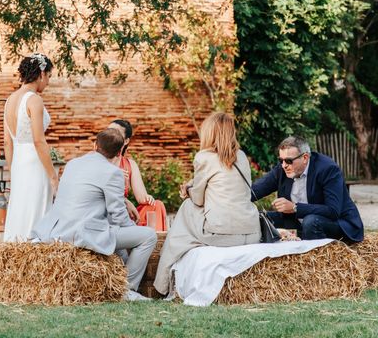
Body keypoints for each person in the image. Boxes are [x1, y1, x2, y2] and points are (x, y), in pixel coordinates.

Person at [32, 128, 157, 301]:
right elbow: (119, 216)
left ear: (95, 145)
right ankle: (126, 289)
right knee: (148, 236)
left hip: (57, 229)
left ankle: (116, 280)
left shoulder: (73, 163)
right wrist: (133, 231)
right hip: (83, 233)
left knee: (116, 235)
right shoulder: (113, 173)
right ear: (119, 152)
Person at [154, 112, 261, 296]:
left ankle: (161, 284)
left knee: (186, 208)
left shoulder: (204, 157)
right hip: (251, 232)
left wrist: (187, 190)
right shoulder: (242, 156)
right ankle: (164, 279)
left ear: (210, 133)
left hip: (221, 234)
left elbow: (198, 199)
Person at [251, 136, 364, 243]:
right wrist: (237, 200)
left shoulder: (327, 169)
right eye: (281, 160)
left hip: (337, 223)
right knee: (259, 218)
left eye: (289, 161)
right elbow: (255, 191)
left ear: (305, 158)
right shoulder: (283, 170)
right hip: (298, 223)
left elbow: (333, 211)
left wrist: (295, 207)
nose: (284, 165)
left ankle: (315, 260)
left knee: (310, 222)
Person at [3, 53, 57, 242]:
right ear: (41, 73)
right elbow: (39, 141)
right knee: (37, 210)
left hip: (18, 162)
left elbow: (7, 143)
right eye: (49, 76)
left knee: (21, 209)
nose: (48, 83)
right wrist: (53, 176)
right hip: (35, 163)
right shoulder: (34, 99)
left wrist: (13, 171)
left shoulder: (10, 100)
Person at [107, 119, 168, 231]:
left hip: (124, 214)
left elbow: (141, 197)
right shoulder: (97, 159)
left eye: (115, 132)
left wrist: (147, 198)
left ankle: (155, 245)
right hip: (105, 212)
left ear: (126, 141)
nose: (110, 135)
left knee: (156, 205)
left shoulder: (129, 164)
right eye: (108, 131)